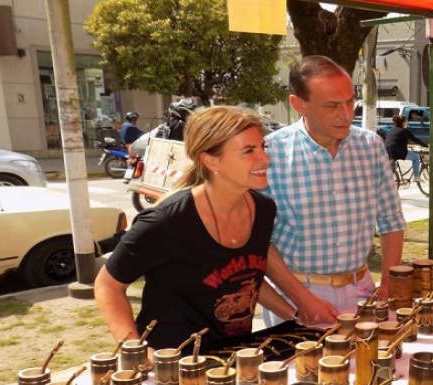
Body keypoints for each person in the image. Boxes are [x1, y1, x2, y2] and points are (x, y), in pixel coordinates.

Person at [95, 106, 296, 353]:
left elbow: (247, 280)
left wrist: (297, 315)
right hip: (172, 362)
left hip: (234, 352)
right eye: (248, 151)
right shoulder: (165, 221)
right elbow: (107, 286)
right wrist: (133, 346)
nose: (265, 159)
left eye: (262, 147)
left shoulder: (264, 210)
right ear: (210, 160)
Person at [262, 55, 406, 327]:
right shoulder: (271, 153)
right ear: (298, 104)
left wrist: (389, 282)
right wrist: (302, 299)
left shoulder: (370, 146)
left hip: (361, 288)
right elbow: (260, 243)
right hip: (296, 293)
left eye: (351, 101)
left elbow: (391, 219)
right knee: (301, 370)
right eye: (332, 106)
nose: (347, 114)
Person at [384, 114, 425, 182]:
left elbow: (395, 140)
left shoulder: (392, 129)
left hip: (387, 150)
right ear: (403, 123)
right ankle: (416, 176)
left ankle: (396, 177)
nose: (407, 123)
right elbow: (415, 139)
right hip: (398, 151)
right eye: (406, 122)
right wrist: (425, 145)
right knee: (416, 157)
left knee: (392, 163)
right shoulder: (404, 131)